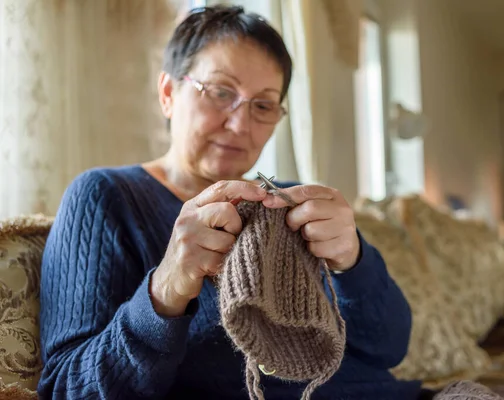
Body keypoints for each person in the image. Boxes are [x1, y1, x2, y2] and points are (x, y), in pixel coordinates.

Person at [38, 5, 428, 400]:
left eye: (263, 105)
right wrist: (166, 289)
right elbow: (67, 389)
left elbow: (391, 348)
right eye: (221, 92)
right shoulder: (106, 197)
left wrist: (355, 264)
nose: (241, 125)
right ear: (168, 93)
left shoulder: (292, 204)